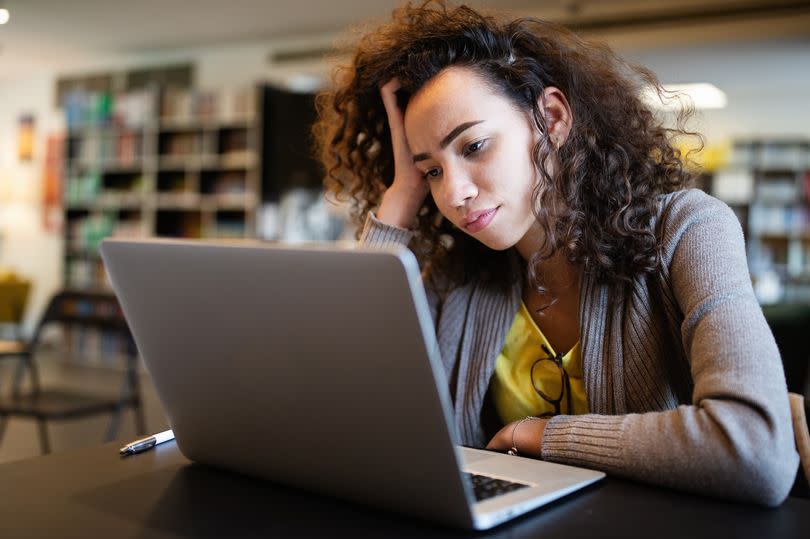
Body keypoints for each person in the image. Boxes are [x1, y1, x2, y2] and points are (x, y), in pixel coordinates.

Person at [313, 1, 799, 506]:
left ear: (551, 118)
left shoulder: (688, 228)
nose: (453, 192)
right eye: (432, 170)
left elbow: (755, 450)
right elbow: (339, 412)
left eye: (474, 146)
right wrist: (400, 200)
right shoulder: (454, 278)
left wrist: (543, 436)